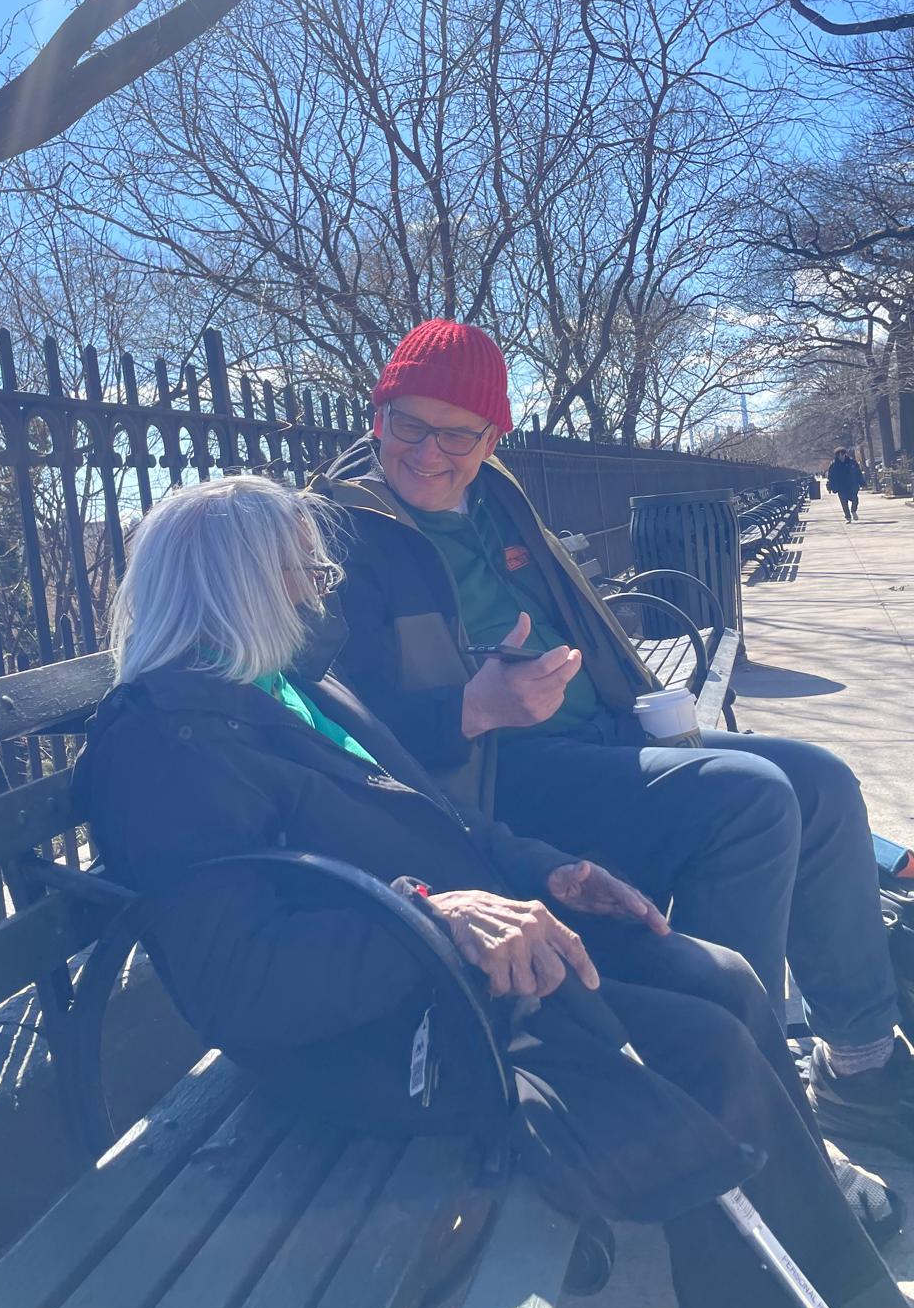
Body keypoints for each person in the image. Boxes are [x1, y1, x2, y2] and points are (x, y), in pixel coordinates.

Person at [72, 475, 913, 1308]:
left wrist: (556, 873)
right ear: (237, 583)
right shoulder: (166, 744)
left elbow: (447, 823)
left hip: (453, 972)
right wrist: (435, 920)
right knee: (698, 1052)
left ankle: (820, 1297)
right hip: (375, 1035)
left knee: (720, 976)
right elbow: (239, 981)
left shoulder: (290, 690)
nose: (319, 590)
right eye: (302, 573)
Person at [314, 319, 914, 1160]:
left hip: (595, 736)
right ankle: (727, 1103)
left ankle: (859, 1071)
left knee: (820, 778)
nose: (427, 452)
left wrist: (639, 702)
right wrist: (472, 710)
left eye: (457, 433)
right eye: (408, 424)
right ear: (377, 415)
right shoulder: (335, 534)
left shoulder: (496, 498)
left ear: (493, 438)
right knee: (748, 801)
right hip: (489, 782)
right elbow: (333, 727)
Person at [828, 448, 866, 522]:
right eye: (839, 455)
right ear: (837, 456)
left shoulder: (852, 463)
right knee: (844, 503)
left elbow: (858, 473)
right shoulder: (834, 465)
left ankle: (853, 511)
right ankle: (848, 517)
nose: (841, 456)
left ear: (845, 454)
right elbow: (830, 477)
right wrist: (830, 487)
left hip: (852, 485)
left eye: (842, 454)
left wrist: (862, 483)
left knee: (855, 499)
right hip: (840, 487)